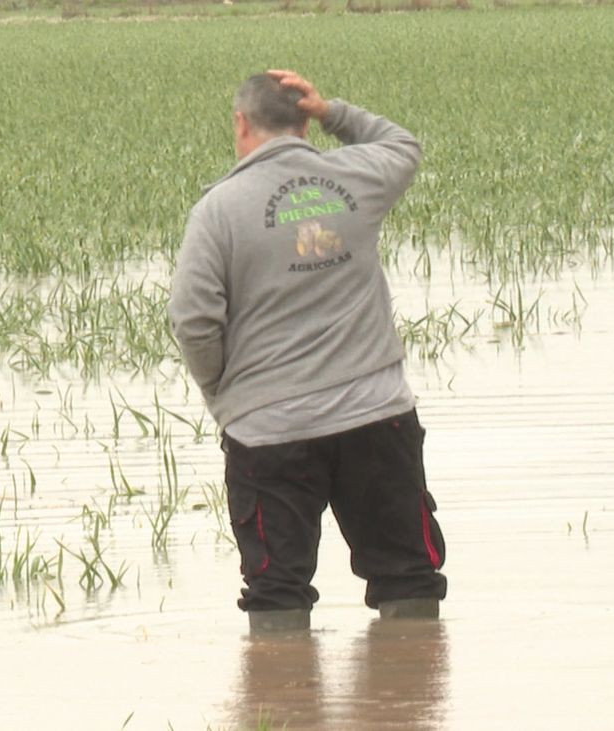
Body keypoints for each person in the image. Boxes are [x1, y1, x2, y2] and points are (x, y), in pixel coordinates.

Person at [168, 70, 447, 633]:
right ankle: (411, 706)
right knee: (409, 576)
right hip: (377, 416)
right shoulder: (355, 174)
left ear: (241, 123)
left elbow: (193, 318)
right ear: (304, 123)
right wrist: (334, 112)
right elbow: (403, 145)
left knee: (276, 589)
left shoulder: (218, 211)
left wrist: (225, 393)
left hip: (269, 432)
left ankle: (282, 709)